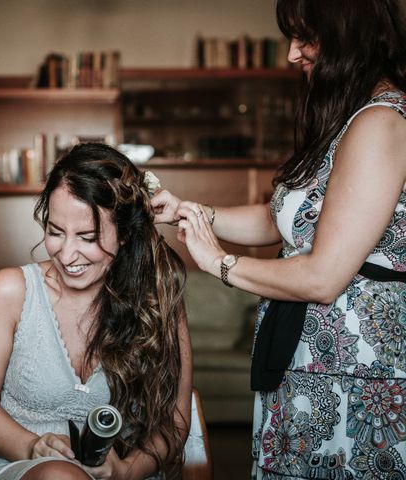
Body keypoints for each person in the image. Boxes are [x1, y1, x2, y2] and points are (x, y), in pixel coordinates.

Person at [151, 0, 406, 478]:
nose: (292, 53)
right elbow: (280, 222)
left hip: (355, 370)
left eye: (305, 36)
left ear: (348, 34)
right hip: (314, 362)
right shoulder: (348, 119)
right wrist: (189, 211)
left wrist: (219, 262)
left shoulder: (380, 123)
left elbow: (322, 277)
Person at [0, 143, 193, 480]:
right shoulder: (11, 291)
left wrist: (126, 470)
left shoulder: (157, 298)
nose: (67, 255)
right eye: (55, 232)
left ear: (125, 234)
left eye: (87, 236)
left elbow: (175, 419)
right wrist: (32, 446)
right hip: (20, 465)